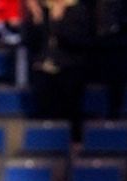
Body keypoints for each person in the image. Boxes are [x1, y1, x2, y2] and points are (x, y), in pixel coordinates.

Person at [24, 0, 90, 141]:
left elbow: (76, 40)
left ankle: (73, 146)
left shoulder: (77, 10)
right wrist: (37, 17)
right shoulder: (42, 10)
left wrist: (57, 22)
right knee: (45, 113)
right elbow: (31, 41)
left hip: (69, 70)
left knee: (70, 113)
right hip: (43, 70)